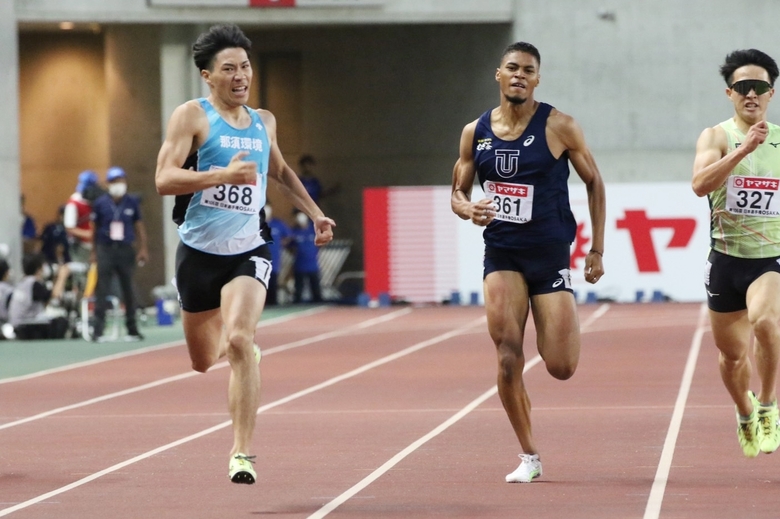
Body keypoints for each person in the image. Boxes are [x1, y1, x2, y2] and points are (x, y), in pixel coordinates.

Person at [154, 24, 335, 484]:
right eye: (229, 69)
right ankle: (239, 356)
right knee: (200, 361)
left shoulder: (263, 121)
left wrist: (316, 214)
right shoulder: (191, 117)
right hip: (198, 251)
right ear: (207, 76)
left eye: (246, 67)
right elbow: (163, 179)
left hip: (248, 249)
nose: (241, 76)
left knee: (239, 339)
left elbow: (281, 172)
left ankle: (242, 454)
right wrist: (219, 177)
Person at [451, 42, 606, 483]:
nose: (520, 75)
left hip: (550, 251)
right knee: (506, 357)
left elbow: (595, 183)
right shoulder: (473, 132)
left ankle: (555, 328)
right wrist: (469, 209)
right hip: (502, 252)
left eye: (529, 71)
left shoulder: (559, 126)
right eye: (513, 68)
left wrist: (597, 249)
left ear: (538, 80)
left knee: (561, 366)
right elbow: (457, 193)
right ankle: (529, 455)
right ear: (498, 74)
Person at [692, 49, 780, 458]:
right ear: (730, 92)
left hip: (770, 258)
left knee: (766, 321)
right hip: (726, 259)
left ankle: (766, 404)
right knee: (731, 357)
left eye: (759, 87)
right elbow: (700, 185)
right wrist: (743, 150)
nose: (751, 94)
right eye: (743, 87)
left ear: (771, 94)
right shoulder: (716, 136)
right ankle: (744, 411)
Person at [90, 167, 149, 342]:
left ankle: (132, 329)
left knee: (128, 289)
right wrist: (94, 251)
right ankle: (98, 330)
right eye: (115, 181)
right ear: (109, 184)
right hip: (106, 248)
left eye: (121, 181)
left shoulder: (131, 202)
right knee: (102, 289)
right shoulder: (100, 203)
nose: (119, 185)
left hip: (125, 249)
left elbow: (139, 226)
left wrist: (143, 248)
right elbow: (94, 228)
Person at [8, 254, 70, 340]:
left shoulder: (23, 283)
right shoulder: (34, 284)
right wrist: (62, 276)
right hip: (27, 325)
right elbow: (55, 295)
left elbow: (46, 301)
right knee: (61, 322)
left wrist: (55, 278)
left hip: (18, 325)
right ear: (38, 269)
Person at [64, 170, 101, 264]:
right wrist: (89, 234)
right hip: (81, 246)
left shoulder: (96, 201)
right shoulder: (74, 204)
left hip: (97, 246)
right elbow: (69, 227)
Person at [289, 210, 323, 304]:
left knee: (316, 290)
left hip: (313, 265)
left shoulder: (313, 230)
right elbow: (289, 246)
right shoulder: (294, 232)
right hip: (299, 266)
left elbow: (321, 243)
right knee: (298, 291)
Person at [263, 203, 290, 306]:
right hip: (258, 259)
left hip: (274, 259)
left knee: (273, 282)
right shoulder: (256, 223)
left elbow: (288, 237)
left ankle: (273, 303)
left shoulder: (278, 224)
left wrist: (280, 243)